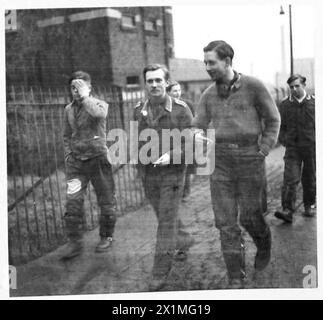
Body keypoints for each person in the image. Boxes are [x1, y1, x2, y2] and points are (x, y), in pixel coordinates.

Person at [192, 41, 281, 288]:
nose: (207, 67)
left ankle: (264, 243)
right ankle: (235, 277)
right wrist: (196, 137)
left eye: (212, 62)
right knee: (226, 223)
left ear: (227, 61)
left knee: (251, 217)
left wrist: (263, 150)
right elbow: (197, 125)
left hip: (250, 160)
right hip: (220, 162)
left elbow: (273, 120)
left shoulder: (253, 86)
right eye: (205, 63)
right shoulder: (208, 94)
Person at [133, 64, 194, 290]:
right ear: (145, 83)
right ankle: (184, 239)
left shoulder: (181, 110)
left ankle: (160, 272)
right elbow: (137, 141)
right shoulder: (138, 110)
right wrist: (139, 168)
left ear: (167, 82)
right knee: (163, 215)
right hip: (150, 175)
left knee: (165, 223)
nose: (154, 85)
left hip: (174, 173)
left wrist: (172, 156)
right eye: (150, 81)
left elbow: (194, 144)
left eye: (159, 80)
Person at [62, 71, 117, 259]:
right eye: (73, 88)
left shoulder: (99, 104)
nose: (76, 91)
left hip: (98, 160)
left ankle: (106, 236)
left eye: (80, 87)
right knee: (73, 202)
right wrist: (69, 154)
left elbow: (99, 114)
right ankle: (74, 243)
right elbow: (66, 135)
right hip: (77, 164)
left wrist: (85, 97)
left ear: (89, 88)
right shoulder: (68, 109)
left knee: (106, 200)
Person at [274, 74, 316, 223]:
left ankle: (309, 205)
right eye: (291, 87)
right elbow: (279, 126)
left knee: (310, 178)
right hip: (293, 148)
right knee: (290, 178)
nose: (294, 89)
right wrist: (284, 140)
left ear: (304, 85)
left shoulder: (314, 103)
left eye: (297, 86)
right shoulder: (285, 104)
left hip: (311, 147)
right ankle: (287, 210)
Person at [167, 81, 196, 200]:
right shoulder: (165, 106)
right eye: (174, 91)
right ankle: (176, 192)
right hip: (171, 141)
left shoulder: (186, 104)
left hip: (186, 140)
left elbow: (193, 122)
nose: (178, 93)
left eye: (179, 90)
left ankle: (186, 193)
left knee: (187, 169)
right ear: (168, 92)